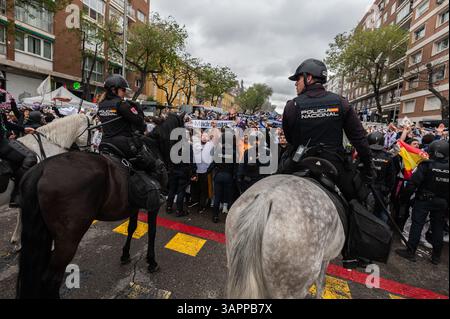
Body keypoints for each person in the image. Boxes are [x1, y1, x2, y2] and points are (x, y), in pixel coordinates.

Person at [282, 58, 375, 201]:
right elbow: (360, 140)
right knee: (357, 200)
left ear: (309, 78)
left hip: (299, 161)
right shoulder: (341, 103)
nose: (296, 83)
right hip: (334, 165)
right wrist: (368, 171)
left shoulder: (291, 106)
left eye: (298, 79)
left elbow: (290, 139)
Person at [97, 74, 165, 207]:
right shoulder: (121, 104)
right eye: (123, 90)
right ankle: (155, 194)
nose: (124, 93)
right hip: (123, 144)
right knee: (154, 164)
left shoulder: (102, 105)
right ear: (114, 90)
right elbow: (140, 123)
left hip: (105, 143)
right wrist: (137, 110)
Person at [396, 140, 449, 265]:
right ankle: (436, 257)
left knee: (417, 225)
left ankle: (410, 252)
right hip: (442, 202)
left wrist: (403, 199)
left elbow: (412, 184)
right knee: (438, 228)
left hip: (423, 200)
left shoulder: (426, 165)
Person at [0, 110, 36, 206]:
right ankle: (18, 195)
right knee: (30, 157)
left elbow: (5, 123)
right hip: (2, 142)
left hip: (4, 140)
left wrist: (23, 129)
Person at [367, 132, 398, 222]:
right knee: (381, 215)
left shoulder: (364, 155)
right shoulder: (388, 157)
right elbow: (392, 178)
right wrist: (386, 191)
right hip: (381, 191)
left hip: (366, 190)